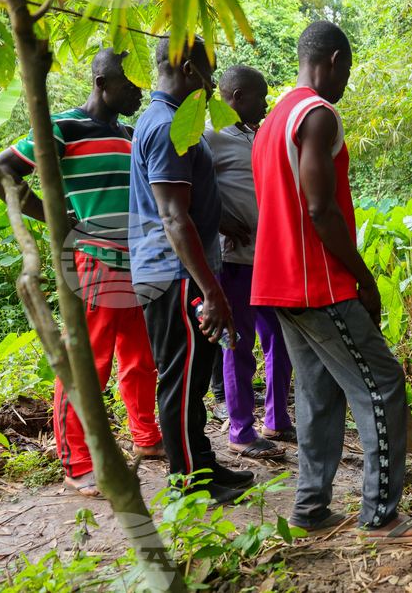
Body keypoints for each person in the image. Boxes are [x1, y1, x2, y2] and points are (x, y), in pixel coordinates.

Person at [250, 20, 412, 541]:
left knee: (318, 394)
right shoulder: (316, 114)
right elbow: (319, 207)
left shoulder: (272, 121)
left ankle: (309, 510)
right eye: (347, 69)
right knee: (383, 385)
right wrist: (364, 277)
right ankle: (381, 515)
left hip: (278, 281)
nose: (346, 82)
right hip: (317, 282)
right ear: (333, 59)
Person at [0, 48, 164, 498]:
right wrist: (58, 221)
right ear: (101, 82)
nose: (139, 92)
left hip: (137, 259)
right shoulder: (62, 127)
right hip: (94, 260)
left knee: (140, 358)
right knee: (89, 362)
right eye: (130, 83)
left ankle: (146, 436)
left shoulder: (128, 133)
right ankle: (78, 461)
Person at [128, 36, 252, 504]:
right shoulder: (165, 127)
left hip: (181, 272)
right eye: (207, 72)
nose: (212, 84)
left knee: (195, 377)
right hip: (174, 274)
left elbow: (189, 201)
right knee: (180, 381)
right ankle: (187, 480)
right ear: (187, 71)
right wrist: (212, 290)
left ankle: (202, 461)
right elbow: (173, 217)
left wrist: (222, 220)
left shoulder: (175, 122)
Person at [204, 64, 293, 460]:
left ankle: (276, 418)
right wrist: (220, 217)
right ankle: (241, 430)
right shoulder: (207, 134)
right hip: (234, 259)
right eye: (261, 96)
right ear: (237, 97)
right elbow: (188, 187)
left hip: (269, 258)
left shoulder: (253, 133)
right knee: (237, 345)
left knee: (280, 339)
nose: (266, 102)